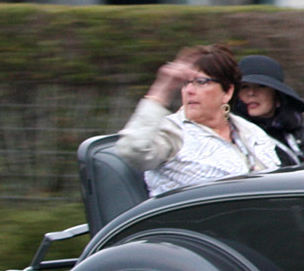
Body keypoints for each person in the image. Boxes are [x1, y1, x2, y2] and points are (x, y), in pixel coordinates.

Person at [115, 44, 280, 196]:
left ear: (228, 91)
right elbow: (131, 150)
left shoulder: (251, 132)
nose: (190, 90)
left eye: (201, 82)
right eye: (185, 83)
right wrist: (161, 90)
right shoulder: (172, 131)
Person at [233, 55, 304, 166]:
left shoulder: (295, 129)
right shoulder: (233, 132)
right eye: (244, 87)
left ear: (276, 94)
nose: (251, 93)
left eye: (261, 86)